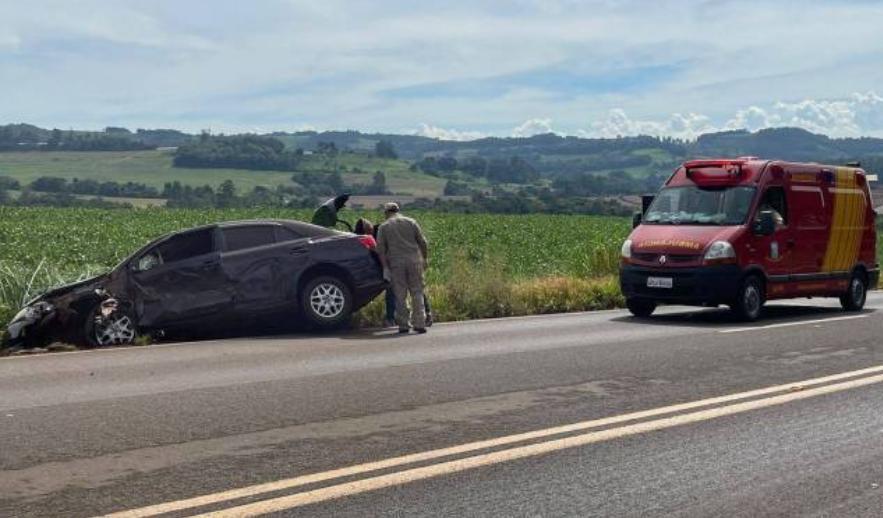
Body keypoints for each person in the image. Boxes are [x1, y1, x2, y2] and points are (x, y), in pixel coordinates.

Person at [355, 217, 432, 328]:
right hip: (396, 264)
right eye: (366, 231)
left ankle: (421, 317)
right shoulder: (373, 232)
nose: (369, 232)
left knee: (413, 290)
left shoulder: (383, 229)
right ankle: (398, 319)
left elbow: (382, 250)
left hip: (396, 264)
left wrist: (376, 251)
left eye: (369, 229)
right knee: (408, 291)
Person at [375, 203, 429, 334]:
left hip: (396, 263)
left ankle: (404, 324)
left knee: (400, 294)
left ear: (386, 212)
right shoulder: (411, 222)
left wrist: (385, 267)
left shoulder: (384, 227)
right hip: (414, 261)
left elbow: (380, 250)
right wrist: (424, 258)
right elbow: (423, 242)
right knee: (417, 292)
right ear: (398, 210)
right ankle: (420, 323)